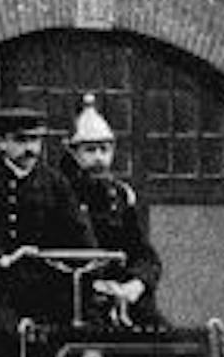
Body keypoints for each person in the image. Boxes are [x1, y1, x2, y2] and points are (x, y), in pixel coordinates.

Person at [0, 105, 98, 335]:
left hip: (44, 286)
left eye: (35, 140)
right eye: (21, 140)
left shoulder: (56, 183)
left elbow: (79, 234)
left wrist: (82, 262)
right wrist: (2, 258)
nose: (30, 149)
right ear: (2, 142)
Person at [61, 93, 163, 328]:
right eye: (90, 150)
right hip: (74, 297)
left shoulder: (120, 196)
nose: (99, 158)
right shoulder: (58, 194)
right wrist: (95, 284)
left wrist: (136, 284)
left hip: (122, 296)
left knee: (167, 338)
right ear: (73, 153)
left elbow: (143, 252)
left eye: (104, 149)